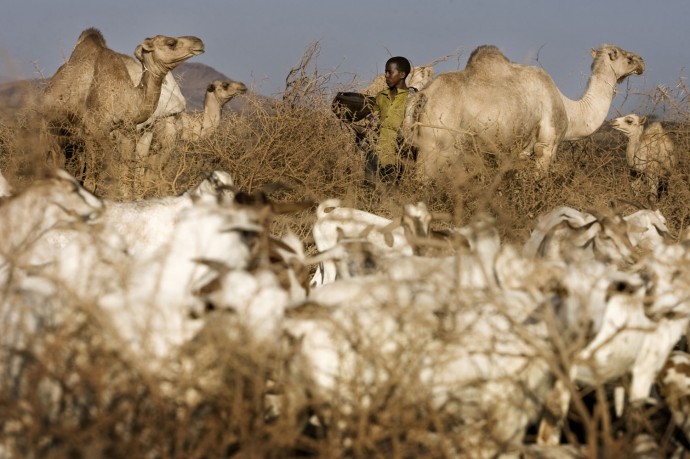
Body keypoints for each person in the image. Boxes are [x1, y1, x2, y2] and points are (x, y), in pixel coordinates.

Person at [364, 56, 414, 188]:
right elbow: (372, 119)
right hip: (376, 149)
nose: (386, 76)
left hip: (398, 153)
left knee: (391, 190)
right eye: (385, 72)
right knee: (370, 188)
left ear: (402, 74)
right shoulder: (381, 96)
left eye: (389, 72)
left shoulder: (412, 97)